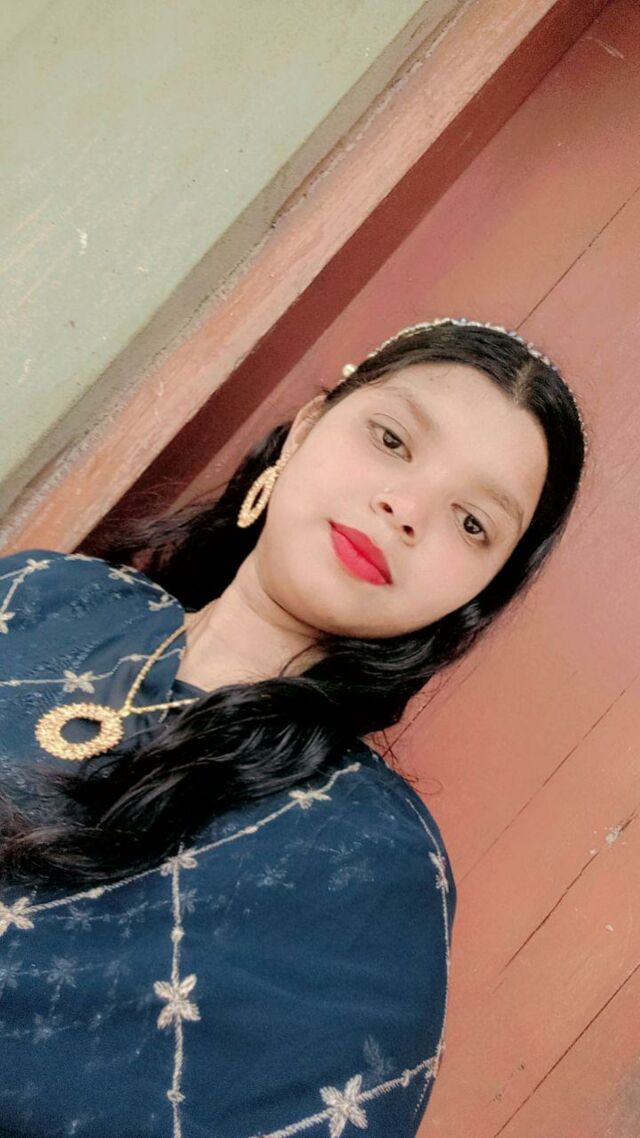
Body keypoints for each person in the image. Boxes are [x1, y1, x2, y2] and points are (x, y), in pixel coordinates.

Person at [0, 317, 588, 1137]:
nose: (408, 508)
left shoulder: (373, 868)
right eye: (392, 439)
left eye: (472, 523)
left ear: (473, 599)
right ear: (306, 429)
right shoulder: (43, 593)